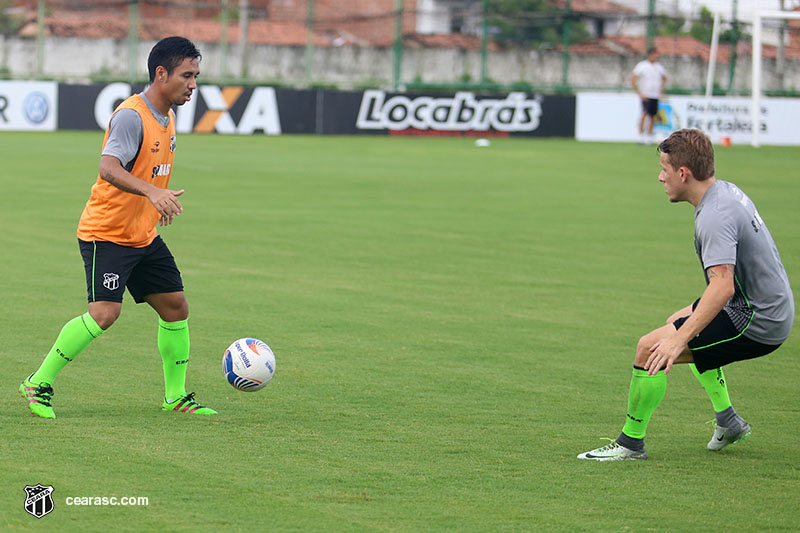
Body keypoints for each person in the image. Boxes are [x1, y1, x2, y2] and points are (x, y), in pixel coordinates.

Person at [19, 36, 217, 418]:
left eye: (196, 75)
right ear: (161, 74)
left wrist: (154, 202)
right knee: (104, 314)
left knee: (175, 307)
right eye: (187, 75)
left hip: (143, 235)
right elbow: (108, 168)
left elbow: (147, 171)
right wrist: (152, 193)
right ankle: (37, 382)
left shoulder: (168, 116)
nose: (193, 84)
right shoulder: (132, 115)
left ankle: (174, 397)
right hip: (106, 234)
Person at [578, 128, 793, 461]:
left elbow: (722, 287)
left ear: (683, 173)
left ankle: (630, 443)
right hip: (760, 304)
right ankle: (728, 420)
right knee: (678, 322)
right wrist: (684, 327)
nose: (660, 177)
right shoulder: (724, 191)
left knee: (650, 347)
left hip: (759, 319)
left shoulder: (714, 215)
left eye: (665, 169)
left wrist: (679, 340)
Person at [630, 47, 667, 144]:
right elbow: (633, 78)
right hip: (645, 94)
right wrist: (639, 93)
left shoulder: (659, 67)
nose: (656, 57)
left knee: (652, 115)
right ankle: (640, 135)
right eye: (655, 55)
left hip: (655, 95)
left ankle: (649, 136)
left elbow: (664, 78)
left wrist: (661, 90)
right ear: (649, 55)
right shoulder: (642, 66)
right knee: (644, 114)